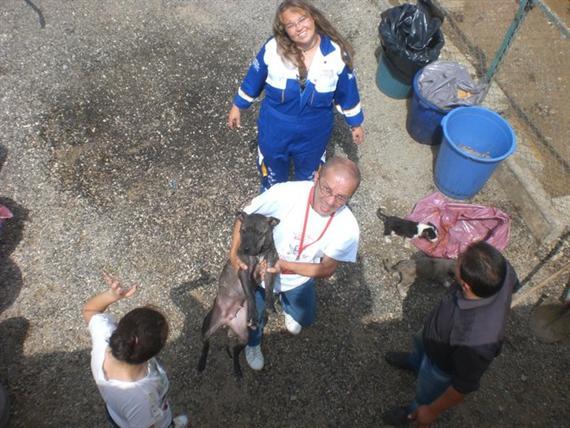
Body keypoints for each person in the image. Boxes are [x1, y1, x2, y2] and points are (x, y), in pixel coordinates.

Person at [230, 156, 361, 370]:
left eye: (341, 197)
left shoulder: (348, 227)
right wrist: (233, 254)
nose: (329, 202)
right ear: (316, 176)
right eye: (326, 189)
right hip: (260, 276)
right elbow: (245, 214)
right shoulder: (285, 193)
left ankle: (289, 309)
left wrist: (285, 266)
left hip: (300, 279)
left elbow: (327, 269)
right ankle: (253, 343)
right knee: (254, 315)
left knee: (305, 317)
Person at [227, 0, 364, 191]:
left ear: (313, 17)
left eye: (302, 19)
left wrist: (355, 123)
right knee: (273, 169)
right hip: (275, 126)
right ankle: (272, 195)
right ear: (284, 30)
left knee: (308, 175)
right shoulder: (273, 49)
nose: (299, 28)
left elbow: (348, 91)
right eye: (291, 25)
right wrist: (238, 106)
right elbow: (253, 77)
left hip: (314, 130)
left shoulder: (336, 55)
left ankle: (303, 201)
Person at [382, 242, 520, 427]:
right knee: (420, 344)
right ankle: (415, 362)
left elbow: (463, 386)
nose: (455, 259)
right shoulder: (503, 270)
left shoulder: (477, 339)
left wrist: (431, 411)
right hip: (433, 334)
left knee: (427, 395)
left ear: (465, 285)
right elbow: (514, 284)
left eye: (458, 261)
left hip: (440, 365)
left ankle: (411, 414)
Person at [83, 272, 188, 428]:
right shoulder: (141, 398)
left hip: (116, 414)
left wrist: (111, 295)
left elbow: (90, 310)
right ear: (153, 354)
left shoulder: (103, 338)